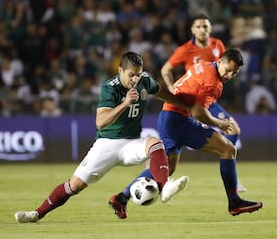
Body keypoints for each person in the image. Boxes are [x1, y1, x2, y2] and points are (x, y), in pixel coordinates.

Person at [14, 52, 189, 223]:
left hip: (131, 143)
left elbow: (162, 93)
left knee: (155, 143)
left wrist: (186, 107)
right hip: (107, 144)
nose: (135, 79)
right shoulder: (109, 88)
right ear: (120, 70)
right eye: (131, 75)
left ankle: (164, 187)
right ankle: (37, 214)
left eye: (138, 74)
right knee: (74, 186)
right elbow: (100, 122)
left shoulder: (144, 81)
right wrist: (125, 103)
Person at [110, 49, 263, 218]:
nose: (229, 75)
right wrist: (218, 123)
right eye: (228, 70)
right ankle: (234, 202)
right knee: (228, 149)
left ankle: (122, 197)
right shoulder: (213, 83)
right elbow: (198, 112)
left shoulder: (204, 65)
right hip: (178, 120)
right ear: (219, 62)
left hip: (167, 116)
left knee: (167, 168)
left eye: (234, 73)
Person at [160, 14, 247, 192]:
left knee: (234, 132)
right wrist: (172, 88)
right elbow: (166, 69)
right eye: (198, 27)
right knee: (173, 158)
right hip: (192, 101)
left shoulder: (217, 45)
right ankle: (228, 167)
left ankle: (231, 174)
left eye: (205, 27)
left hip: (208, 100)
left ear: (210, 29)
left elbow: (223, 72)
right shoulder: (185, 50)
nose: (202, 30)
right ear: (192, 29)